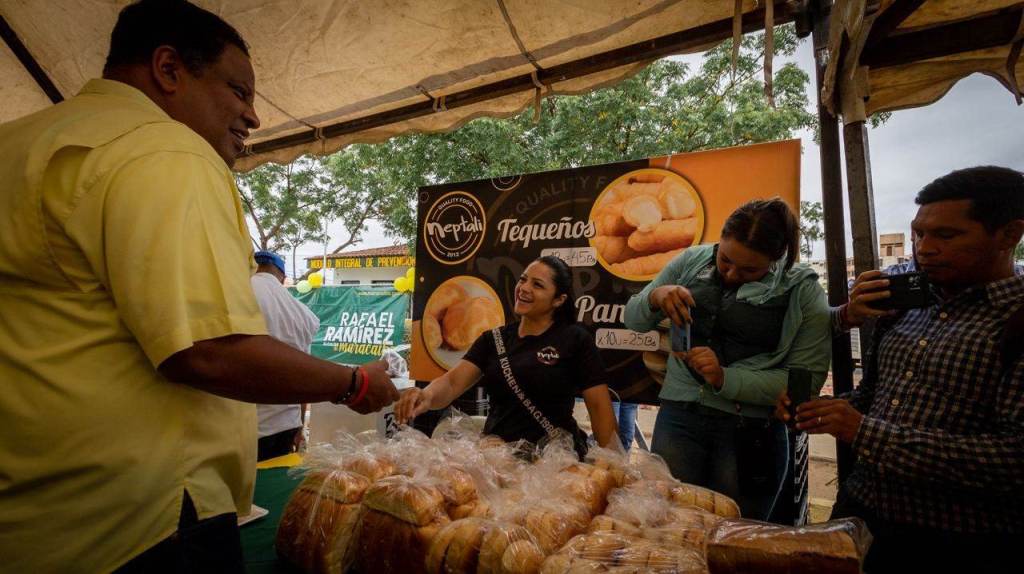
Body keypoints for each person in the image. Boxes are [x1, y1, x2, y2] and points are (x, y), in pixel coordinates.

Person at [0, 2, 398, 572]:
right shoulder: (163, 148)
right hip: (141, 527)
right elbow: (208, 350)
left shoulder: (16, 145)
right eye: (238, 91)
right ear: (168, 68)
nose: (253, 117)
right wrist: (354, 383)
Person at [778, 166, 1024, 572]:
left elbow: (1014, 459)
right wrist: (824, 411)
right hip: (860, 515)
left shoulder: (1016, 321)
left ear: (1009, 235)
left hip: (961, 542)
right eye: (918, 234)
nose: (924, 249)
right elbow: (873, 398)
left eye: (946, 235)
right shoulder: (905, 306)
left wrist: (863, 431)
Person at [624, 198, 832, 520]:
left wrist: (725, 377)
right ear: (720, 240)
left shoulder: (802, 290)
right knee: (669, 526)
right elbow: (633, 320)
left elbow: (805, 380)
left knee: (738, 532)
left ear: (776, 259)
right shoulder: (692, 260)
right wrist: (655, 297)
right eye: (725, 260)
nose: (732, 274)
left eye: (750, 270)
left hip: (752, 430)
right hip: (680, 418)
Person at [396, 256, 619, 458]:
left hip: (553, 464)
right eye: (523, 280)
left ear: (558, 300)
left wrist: (612, 463)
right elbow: (452, 382)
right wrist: (426, 395)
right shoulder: (493, 339)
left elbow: (599, 407)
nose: (524, 288)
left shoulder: (575, 339)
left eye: (537, 285)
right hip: (497, 459)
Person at [251, 251, 318, 461]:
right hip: (285, 425)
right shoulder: (302, 313)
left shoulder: (239, 295)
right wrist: (300, 426)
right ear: (282, 276)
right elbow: (304, 376)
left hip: (244, 427)